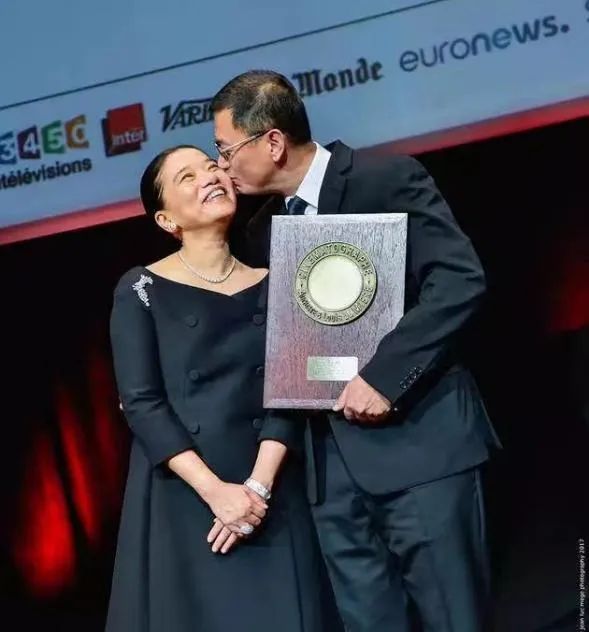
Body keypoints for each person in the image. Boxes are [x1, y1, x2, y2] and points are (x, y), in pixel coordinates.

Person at [211, 70, 503, 632]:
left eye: (226, 150)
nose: (223, 166)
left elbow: (458, 280)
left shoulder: (385, 179)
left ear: (273, 142)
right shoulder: (262, 232)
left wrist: (384, 376)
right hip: (329, 477)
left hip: (419, 450)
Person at [106, 145, 341, 632]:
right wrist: (216, 493)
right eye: (187, 177)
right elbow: (142, 402)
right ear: (167, 220)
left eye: (212, 166)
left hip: (271, 486)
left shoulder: (278, 280)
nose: (210, 177)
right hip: (187, 491)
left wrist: (256, 488)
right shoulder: (141, 288)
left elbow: (292, 388)